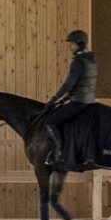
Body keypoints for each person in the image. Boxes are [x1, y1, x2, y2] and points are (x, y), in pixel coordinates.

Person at [39, 29, 97, 162]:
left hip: (79, 102)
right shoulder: (91, 59)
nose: (69, 46)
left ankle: (60, 153)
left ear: (79, 44)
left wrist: (54, 100)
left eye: (71, 44)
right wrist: (66, 98)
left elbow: (68, 84)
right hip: (88, 100)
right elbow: (82, 83)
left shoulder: (78, 62)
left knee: (50, 122)